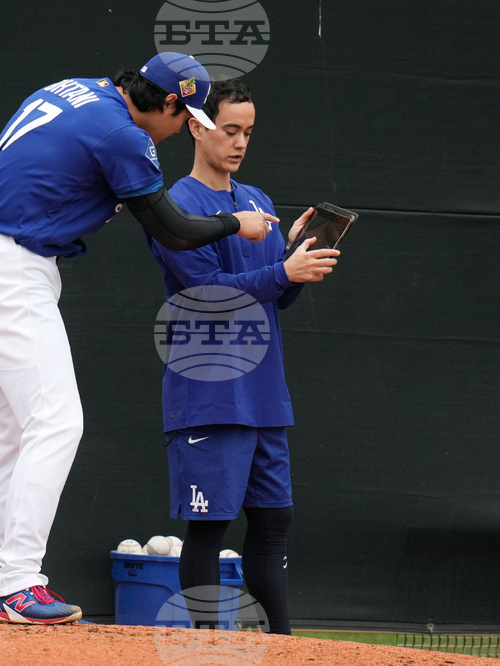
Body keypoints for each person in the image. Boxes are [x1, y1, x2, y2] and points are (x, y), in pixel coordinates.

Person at [0, 52, 279, 625]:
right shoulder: (123, 136)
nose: (183, 132)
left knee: (14, 440)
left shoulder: (74, 88)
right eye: (187, 120)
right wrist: (235, 223)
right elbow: (173, 230)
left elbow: (9, 179)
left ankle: (11, 583)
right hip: (11, 271)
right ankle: (20, 583)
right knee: (57, 423)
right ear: (169, 103)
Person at [145, 79, 340, 634]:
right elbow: (207, 293)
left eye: (248, 133)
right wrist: (282, 270)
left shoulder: (256, 200)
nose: (240, 142)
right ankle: (207, 644)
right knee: (209, 528)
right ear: (198, 127)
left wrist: (295, 262)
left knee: (274, 521)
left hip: (263, 393)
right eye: (230, 130)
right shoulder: (175, 204)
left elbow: (274, 293)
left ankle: (282, 644)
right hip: (208, 391)